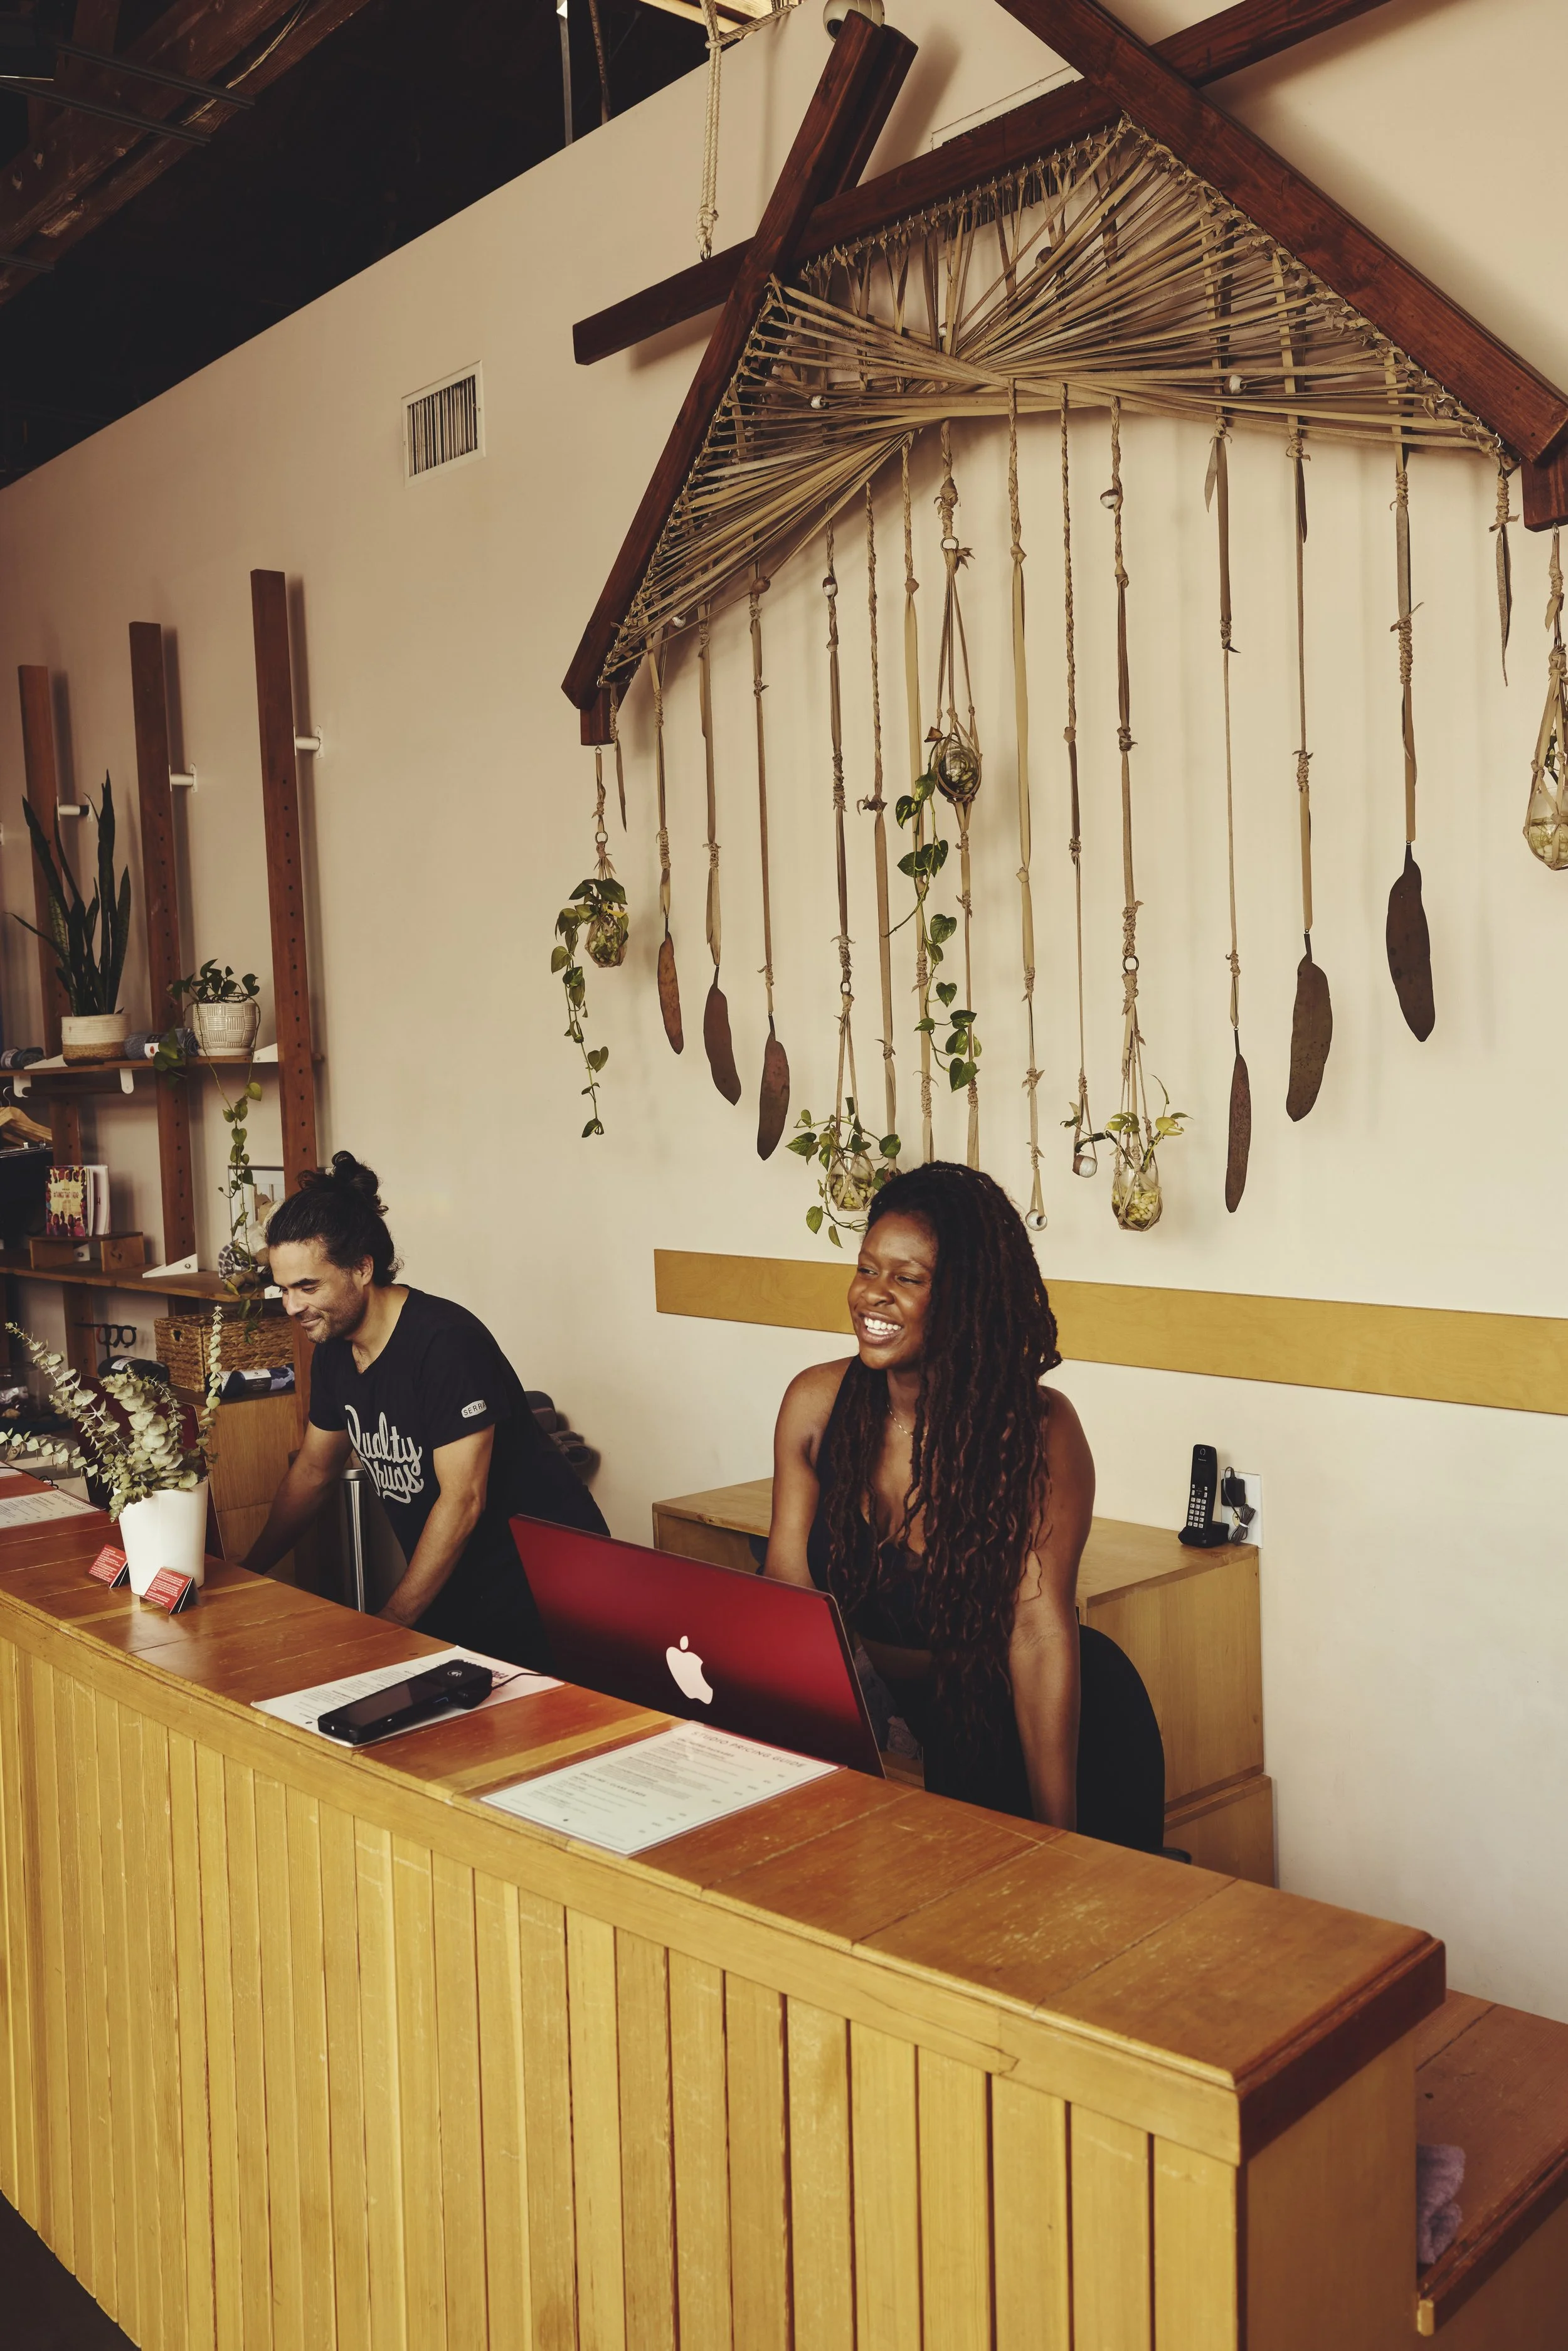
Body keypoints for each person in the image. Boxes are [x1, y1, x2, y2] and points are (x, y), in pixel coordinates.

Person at [766, 1159, 1098, 1830]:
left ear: (966, 1298)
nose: (872, 1295)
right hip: (881, 1708)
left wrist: (1061, 1839)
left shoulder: (1037, 1429)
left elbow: (1037, 1634)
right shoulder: (815, 1404)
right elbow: (788, 1595)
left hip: (1001, 1716)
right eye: (866, 1268)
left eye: (907, 1278)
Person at [243, 1152, 605, 1666]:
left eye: (308, 1286)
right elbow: (314, 1471)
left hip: (549, 1594)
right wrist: (245, 1570)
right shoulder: (334, 1348)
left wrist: (390, 1625)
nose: (292, 1307)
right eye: (283, 1289)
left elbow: (463, 1502)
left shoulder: (446, 1344)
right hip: (457, 1585)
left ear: (362, 1268)